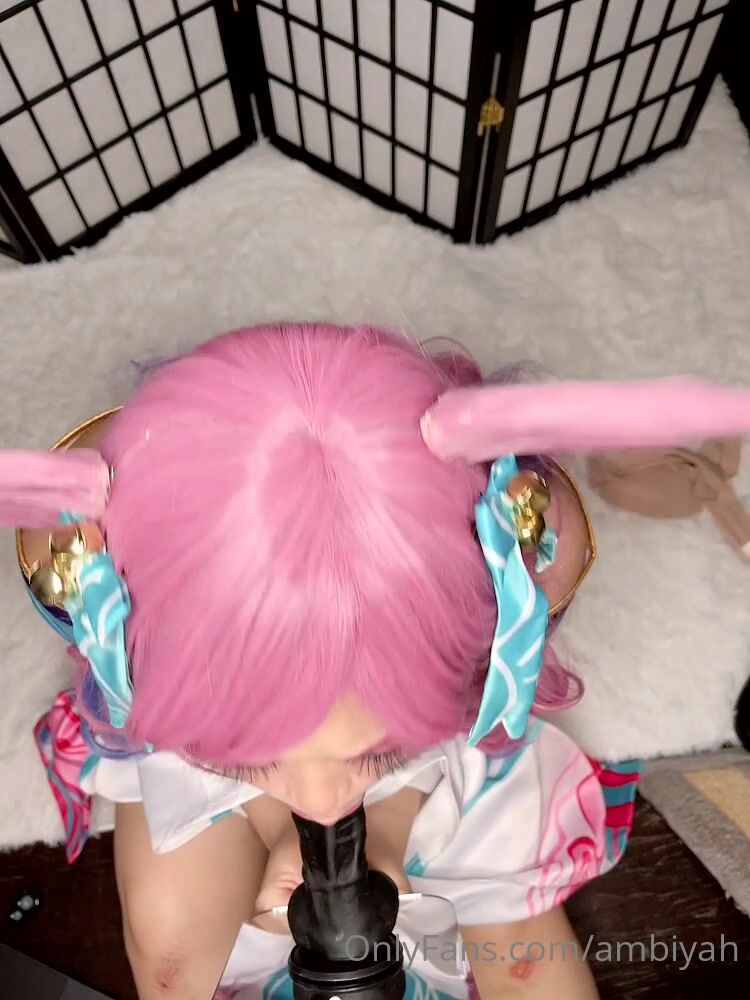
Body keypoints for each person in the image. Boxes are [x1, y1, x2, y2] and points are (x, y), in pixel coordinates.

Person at [4, 324, 748, 1000]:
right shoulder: (178, 678)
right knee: (171, 963)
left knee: (522, 955)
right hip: (200, 729)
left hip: (432, 784)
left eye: (378, 751)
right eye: (257, 760)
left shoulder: (455, 695)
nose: (324, 803)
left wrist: (388, 826)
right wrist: (262, 807)